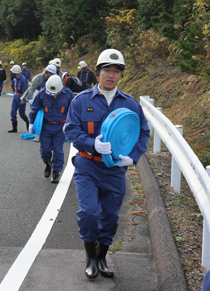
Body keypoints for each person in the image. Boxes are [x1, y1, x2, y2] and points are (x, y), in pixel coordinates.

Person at [64, 49, 149, 280]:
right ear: (97, 72)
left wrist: (132, 157)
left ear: (121, 75)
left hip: (115, 170)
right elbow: (71, 129)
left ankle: (102, 256)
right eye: (106, 70)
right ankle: (90, 257)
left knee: (110, 216)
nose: (110, 75)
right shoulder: (81, 101)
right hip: (87, 165)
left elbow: (143, 132)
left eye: (116, 71)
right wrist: (91, 143)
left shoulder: (130, 103)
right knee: (89, 212)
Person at [29, 75, 74, 183]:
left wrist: (69, 125)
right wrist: (31, 123)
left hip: (60, 127)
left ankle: (56, 172)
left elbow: (73, 111)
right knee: (45, 150)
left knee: (58, 150)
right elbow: (34, 109)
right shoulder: (42, 94)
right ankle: (47, 163)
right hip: (46, 127)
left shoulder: (68, 94)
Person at [8, 65, 29, 133]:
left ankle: (27, 121)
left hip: (21, 98)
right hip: (15, 97)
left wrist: (23, 99)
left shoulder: (23, 79)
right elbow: (14, 87)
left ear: (15, 73)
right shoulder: (15, 79)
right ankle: (14, 128)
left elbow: (25, 91)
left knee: (21, 114)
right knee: (13, 112)